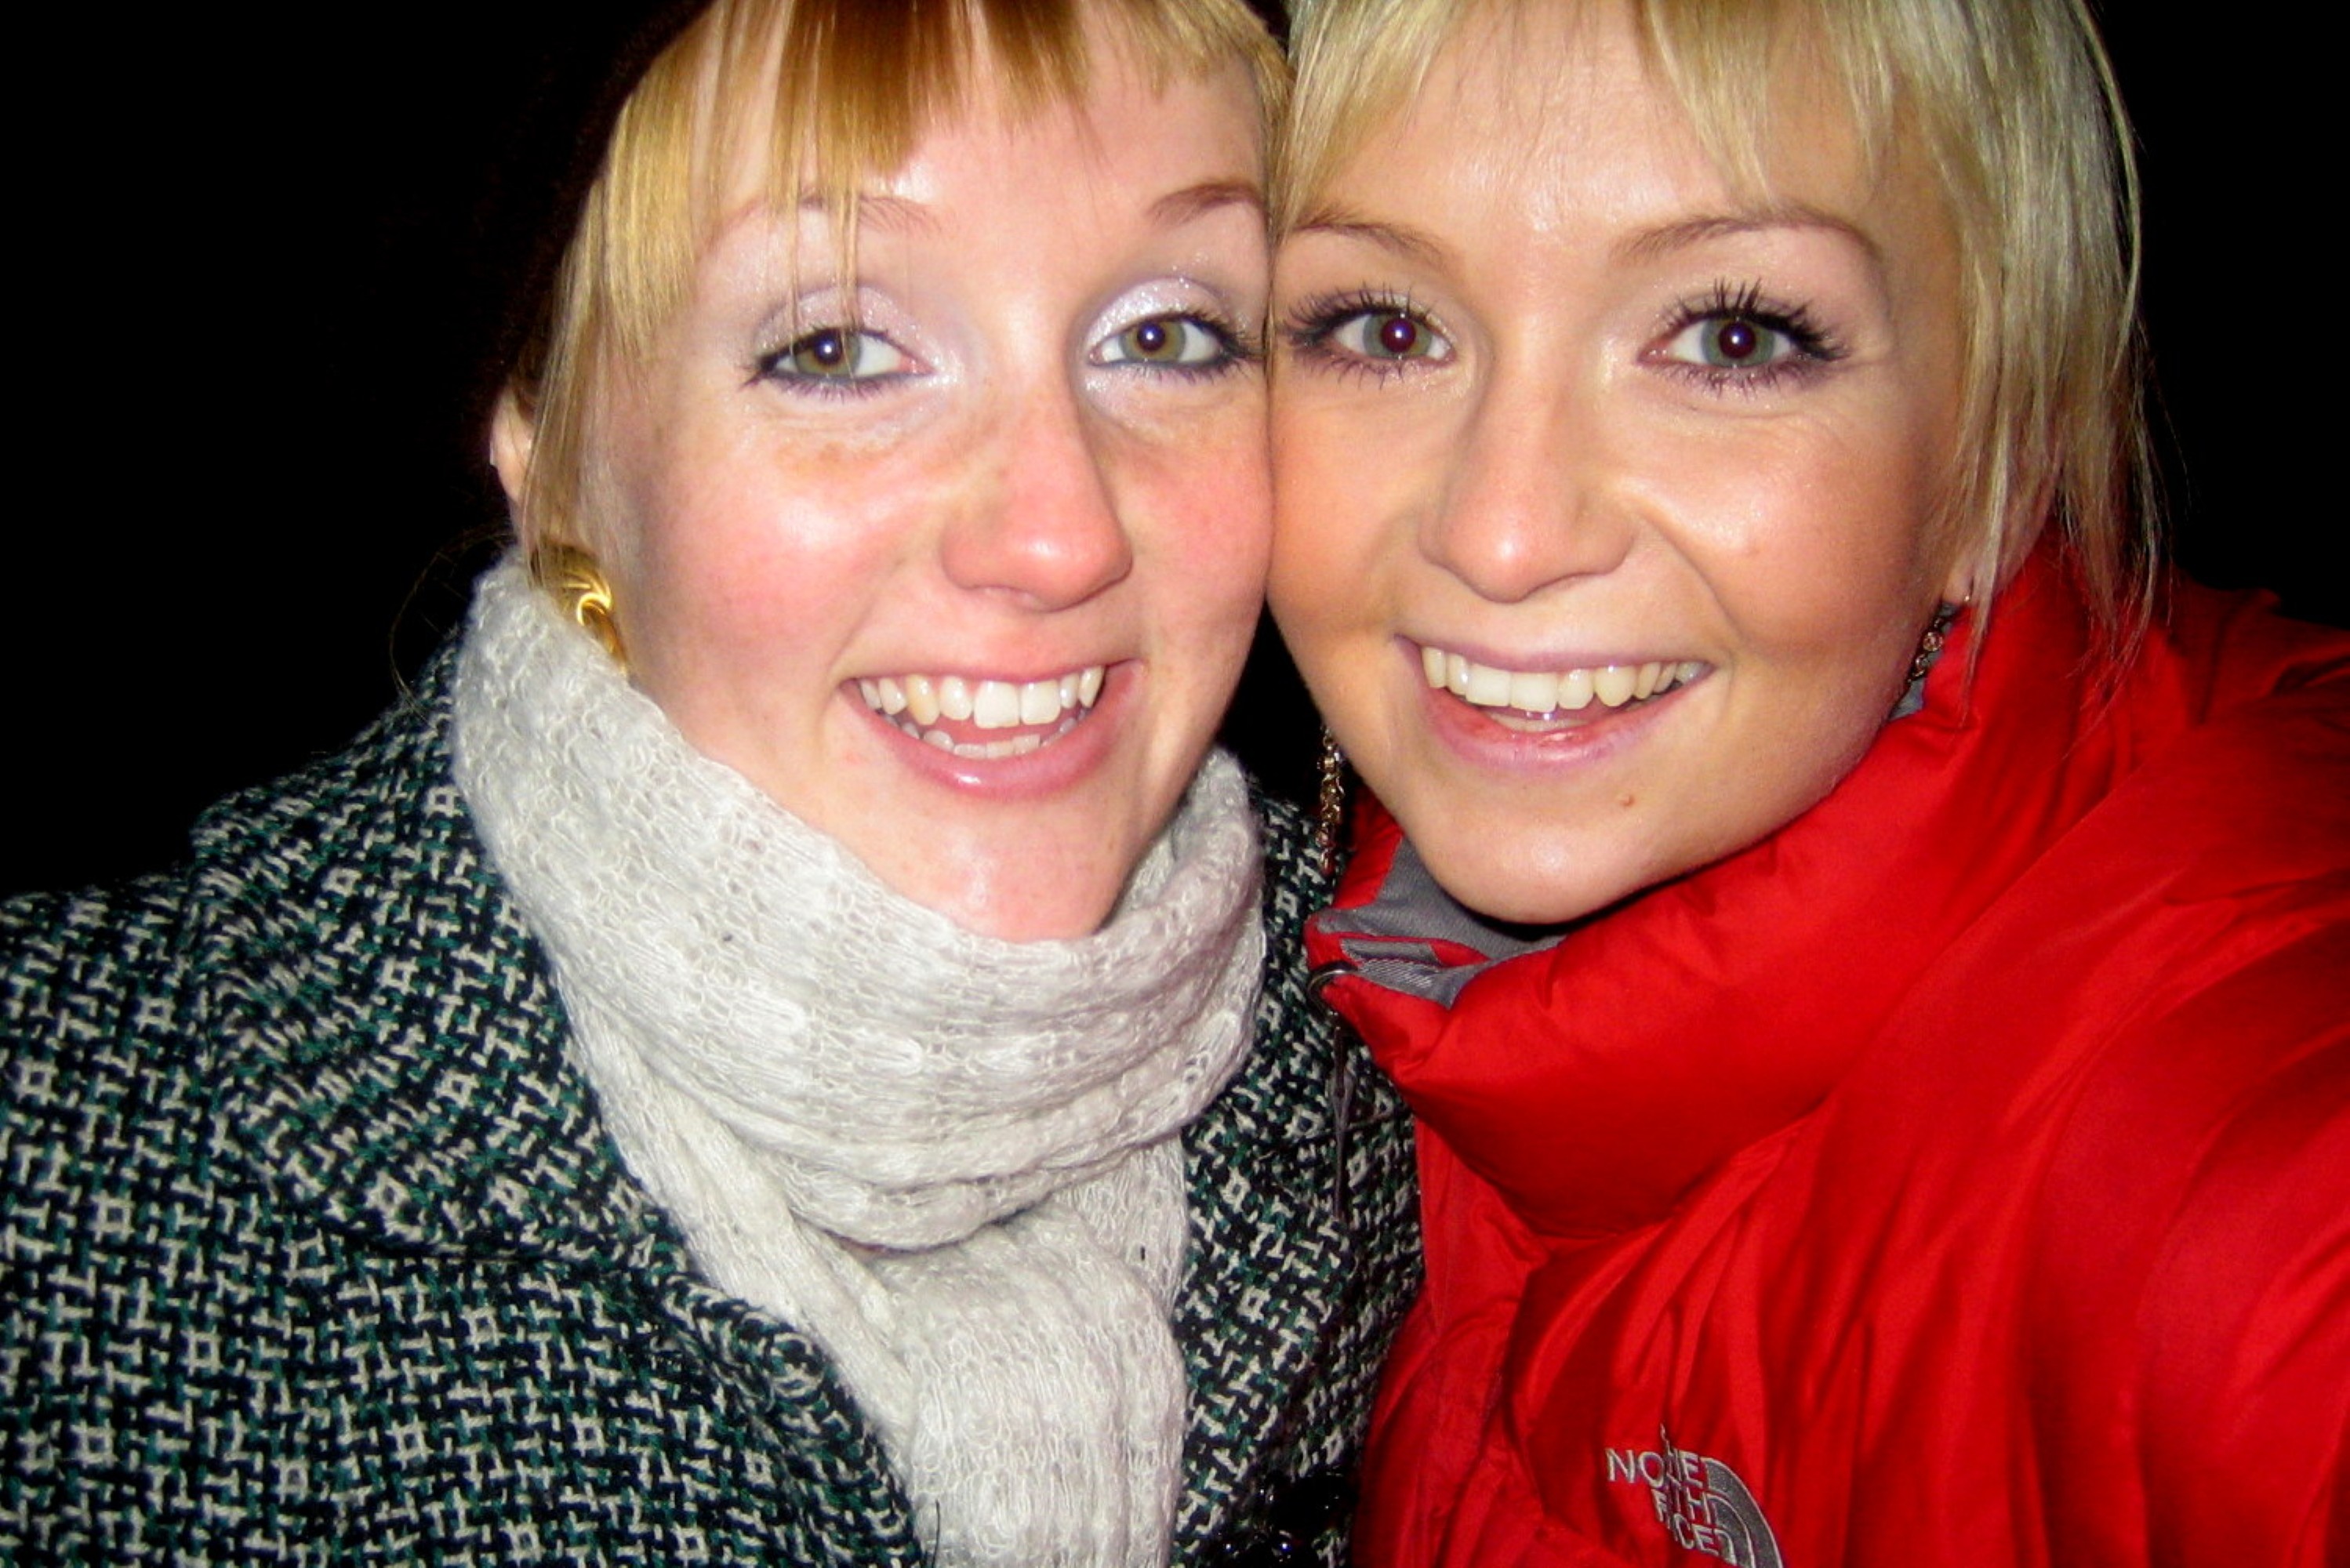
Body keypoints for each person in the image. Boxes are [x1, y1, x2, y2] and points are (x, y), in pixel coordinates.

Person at [0, 0, 1420, 1562]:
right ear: (539, 429)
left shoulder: (1409, 1079)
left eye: (1165, 336)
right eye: (837, 349)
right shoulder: (65, 1157)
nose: (1057, 535)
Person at [1265, 0, 2349, 1563]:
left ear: (1994, 463)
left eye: (1730, 336)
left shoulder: (2240, 1196)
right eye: (1383, 328)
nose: (1500, 535)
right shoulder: (1341, 985)